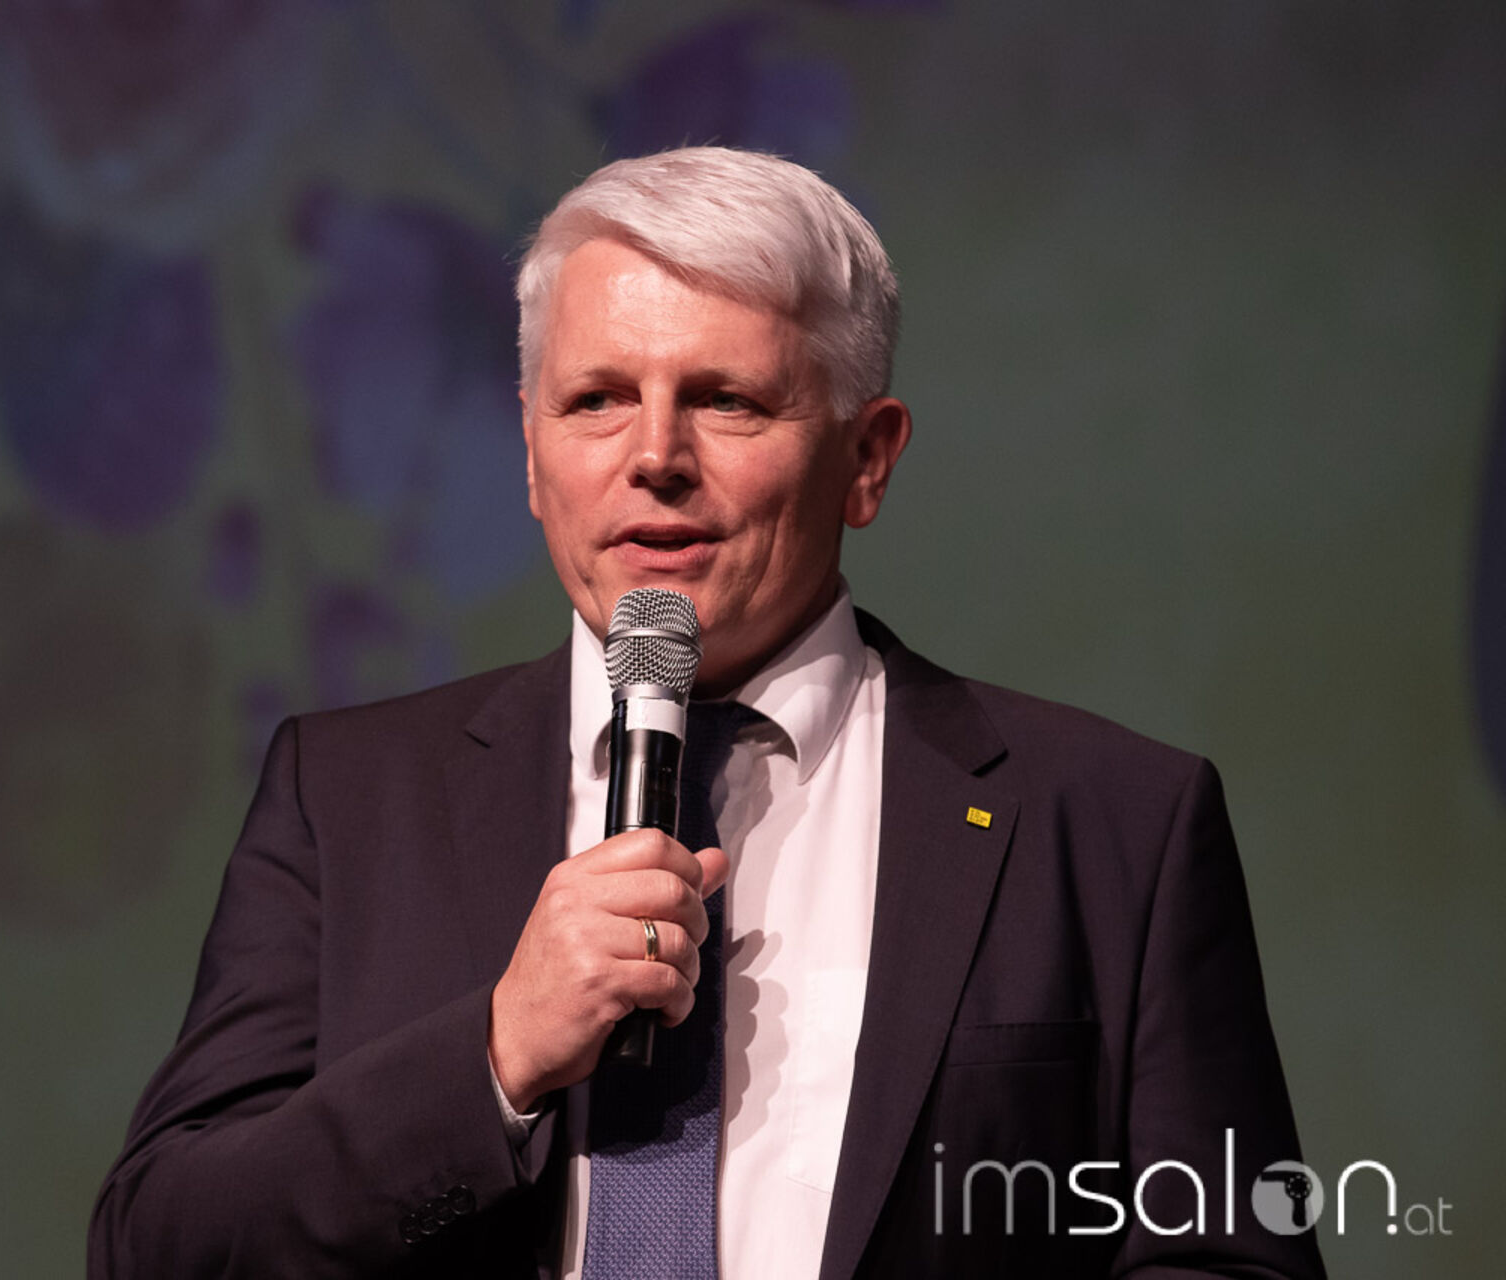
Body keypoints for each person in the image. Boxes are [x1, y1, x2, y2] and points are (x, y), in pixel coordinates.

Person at [89, 147, 1325, 1279]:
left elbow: (1234, 1263)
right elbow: (158, 1245)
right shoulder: (349, 797)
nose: (656, 456)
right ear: (530, 454)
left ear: (868, 456)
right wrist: (497, 1054)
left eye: (727, 398)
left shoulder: (1112, 822)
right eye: (596, 400)